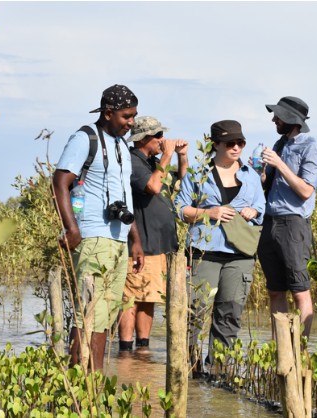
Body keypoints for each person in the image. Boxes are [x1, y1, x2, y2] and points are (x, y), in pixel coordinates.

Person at [53, 84, 145, 371]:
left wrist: (135, 240)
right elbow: (59, 183)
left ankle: (93, 383)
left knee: (106, 317)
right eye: (126, 117)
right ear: (108, 113)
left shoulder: (121, 145)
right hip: (92, 239)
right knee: (88, 316)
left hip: (118, 241)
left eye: (134, 116)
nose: (131, 123)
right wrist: (72, 230)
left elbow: (125, 196)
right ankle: (78, 385)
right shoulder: (84, 139)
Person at [175, 120, 265, 366]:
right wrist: (208, 213)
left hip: (241, 256)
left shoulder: (252, 176)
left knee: (229, 316)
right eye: (230, 143)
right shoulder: (197, 172)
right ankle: (189, 371)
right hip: (204, 253)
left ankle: (219, 374)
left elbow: (261, 208)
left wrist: (254, 212)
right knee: (195, 314)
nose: (236, 148)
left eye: (241, 143)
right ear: (215, 145)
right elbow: (180, 210)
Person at [118, 116, 189, 351]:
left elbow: (177, 185)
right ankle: (126, 350)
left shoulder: (152, 162)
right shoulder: (133, 161)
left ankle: (143, 350)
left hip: (160, 245)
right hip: (141, 244)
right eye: (157, 136)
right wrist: (167, 155)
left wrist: (181, 156)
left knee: (149, 298)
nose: (162, 140)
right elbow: (153, 187)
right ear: (142, 139)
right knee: (131, 300)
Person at [258, 96, 317, 338]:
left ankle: (300, 348)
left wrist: (280, 164)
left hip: (293, 225)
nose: (274, 119)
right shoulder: (279, 145)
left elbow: (306, 191)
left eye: (278, 116)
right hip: (270, 222)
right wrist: (262, 172)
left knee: (299, 291)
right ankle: (279, 349)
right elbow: (268, 185)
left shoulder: (311, 149)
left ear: (292, 120)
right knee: (275, 291)